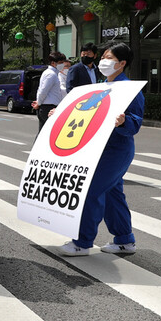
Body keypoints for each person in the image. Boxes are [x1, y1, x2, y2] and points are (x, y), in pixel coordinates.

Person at [55, 42, 144, 256]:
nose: (104, 61)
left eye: (109, 58)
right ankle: (124, 240)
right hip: (99, 148)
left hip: (116, 150)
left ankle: (82, 242)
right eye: (103, 56)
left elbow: (136, 123)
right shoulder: (103, 86)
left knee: (90, 191)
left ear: (122, 63)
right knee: (113, 194)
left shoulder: (129, 89)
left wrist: (124, 122)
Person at [31, 52, 68, 133]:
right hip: (47, 107)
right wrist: (39, 103)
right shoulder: (51, 74)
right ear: (53, 63)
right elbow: (43, 91)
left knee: (44, 134)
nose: (62, 65)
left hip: (49, 106)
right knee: (47, 134)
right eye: (60, 63)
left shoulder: (53, 74)